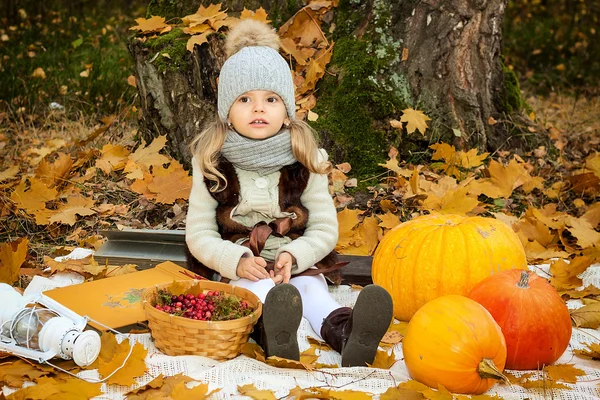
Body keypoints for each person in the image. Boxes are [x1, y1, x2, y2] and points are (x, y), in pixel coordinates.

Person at [185, 19, 393, 367]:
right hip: (241, 264)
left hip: (294, 261)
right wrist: (234, 261)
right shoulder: (211, 162)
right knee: (259, 293)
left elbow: (325, 229)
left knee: (313, 291)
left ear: (286, 112)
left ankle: (349, 334)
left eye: (271, 99)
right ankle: (273, 334)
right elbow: (199, 232)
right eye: (244, 99)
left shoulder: (306, 158)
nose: (258, 108)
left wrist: (295, 256)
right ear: (226, 112)